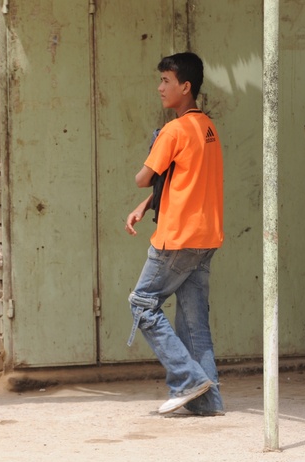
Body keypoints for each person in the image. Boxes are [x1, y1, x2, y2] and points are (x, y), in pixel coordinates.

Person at [125, 52, 225, 417]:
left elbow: (143, 176)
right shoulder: (208, 128)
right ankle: (209, 402)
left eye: (166, 81)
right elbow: (185, 182)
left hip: (177, 238)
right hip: (205, 237)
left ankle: (185, 379)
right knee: (195, 323)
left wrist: (153, 154)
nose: (160, 87)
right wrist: (146, 205)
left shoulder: (174, 130)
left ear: (186, 87)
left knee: (142, 303)